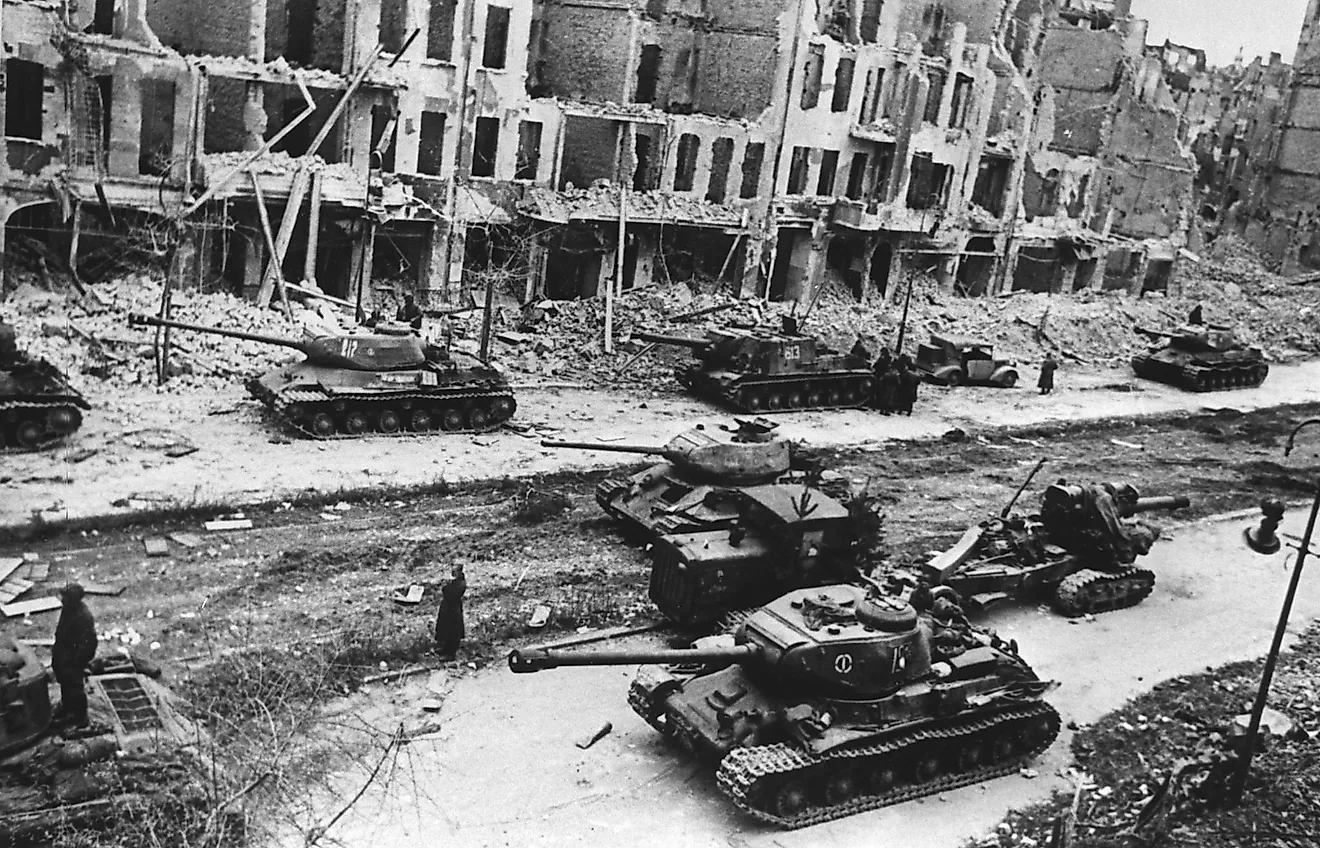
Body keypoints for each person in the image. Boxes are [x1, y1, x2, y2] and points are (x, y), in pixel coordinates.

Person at [52, 583, 97, 728]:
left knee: (75, 688)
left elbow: (89, 643)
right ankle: (67, 707)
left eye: (65, 596)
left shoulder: (83, 616)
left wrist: (77, 662)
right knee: (65, 684)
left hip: (73, 659)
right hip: (63, 654)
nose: (62, 599)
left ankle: (79, 718)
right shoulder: (69, 609)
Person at [434, 565, 467, 658]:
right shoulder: (455, 582)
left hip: (454, 609)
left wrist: (446, 587)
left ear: (459, 572)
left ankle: (451, 653)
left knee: (453, 631)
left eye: (455, 571)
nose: (453, 573)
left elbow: (451, 594)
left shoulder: (461, 583)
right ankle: (445, 648)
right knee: (446, 629)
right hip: (448, 608)